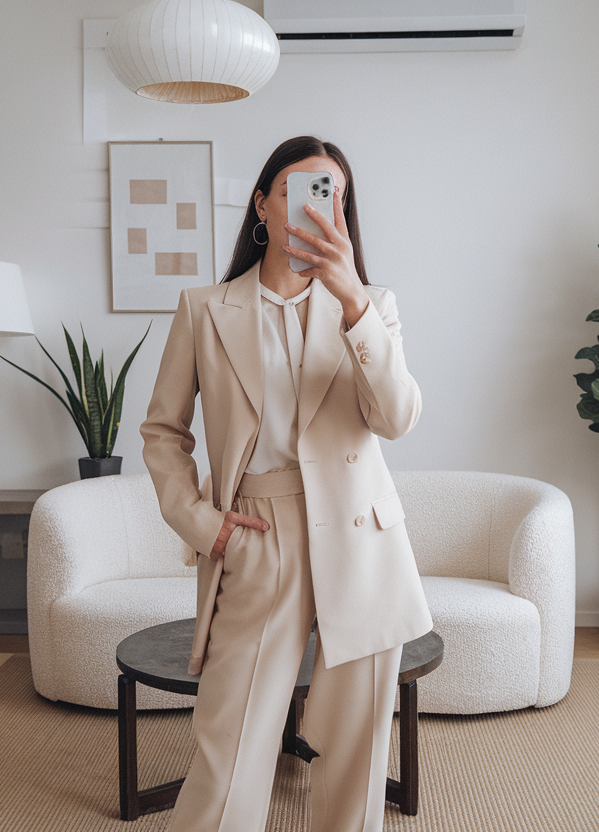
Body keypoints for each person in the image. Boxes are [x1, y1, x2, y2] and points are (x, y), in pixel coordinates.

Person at [140, 135, 432, 832]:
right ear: (263, 204)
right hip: (256, 536)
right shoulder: (206, 309)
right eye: (301, 189)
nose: (317, 207)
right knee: (230, 745)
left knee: (355, 755)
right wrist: (204, 525)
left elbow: (395, 419)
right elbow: (162, 432)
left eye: (333, 194)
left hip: (362, 538)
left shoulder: (373, 305)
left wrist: (353, 302)